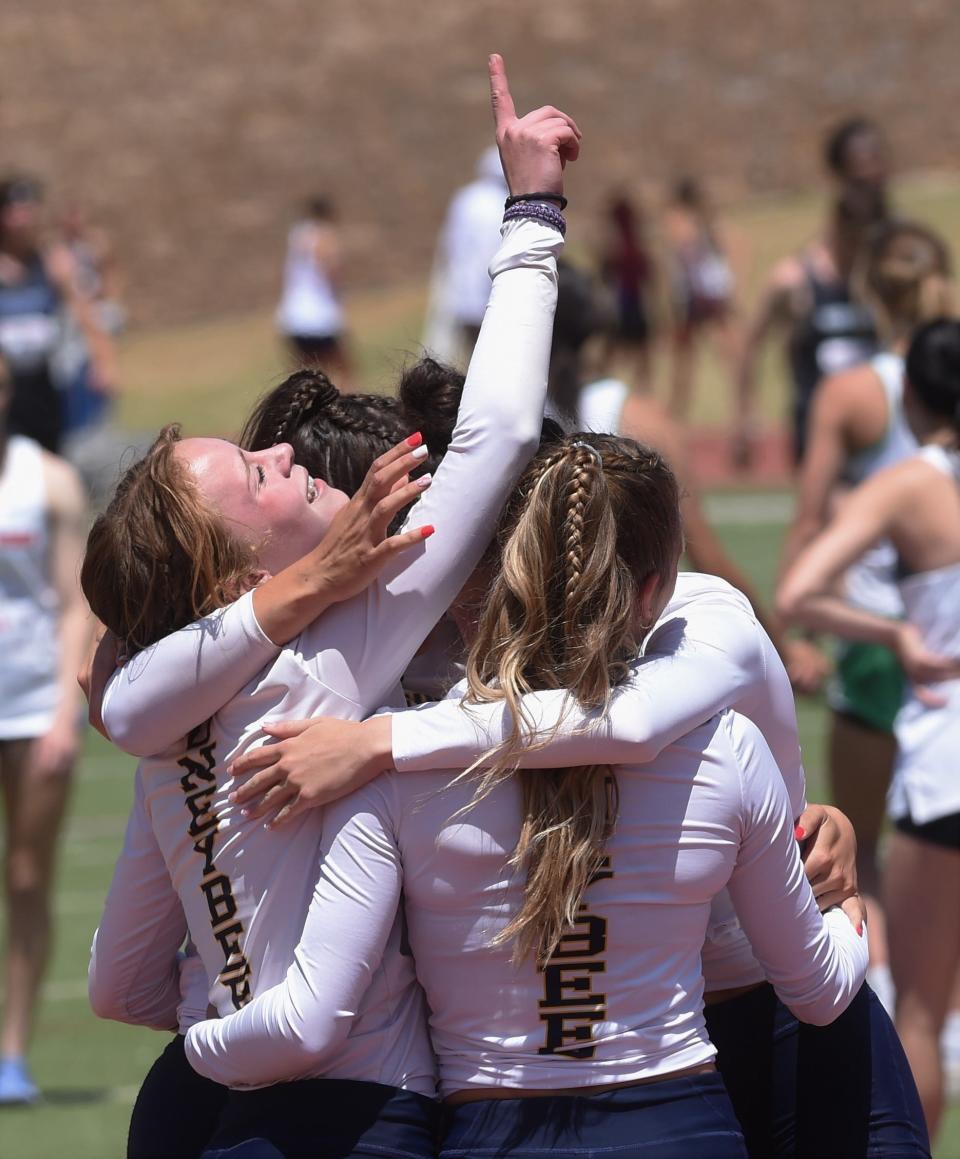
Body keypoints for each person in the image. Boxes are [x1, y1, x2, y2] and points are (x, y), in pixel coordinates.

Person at [85, 54, 578, 1158]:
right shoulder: (333, 648)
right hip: (362, 1114)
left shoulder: (158, 727)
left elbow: (119, 982)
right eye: (256, 478)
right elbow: (495, 436)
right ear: (234, 579)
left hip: (212, 1111)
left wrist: (217, 1012)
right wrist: (533, 214)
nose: (279, 453)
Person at [181, 432, 871, 1159]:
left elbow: (314, 1012)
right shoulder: (724, 748)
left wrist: (199, 1029)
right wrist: (855, 916)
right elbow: (818, 990)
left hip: (491, 1135)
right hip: (681, 1127)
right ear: (656, 589)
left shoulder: (391, 767)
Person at [778, 317, 960, 1142]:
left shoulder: (911, 483)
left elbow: (799, 593)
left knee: (920, 1008)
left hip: (948, 758)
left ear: (910, 395)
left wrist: (894, 635)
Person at [550, 259, 831, 695]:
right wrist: (785, 651)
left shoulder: (500, 415)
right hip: (623, 661)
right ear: (596, 326)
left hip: (528, 651)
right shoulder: (638, 417)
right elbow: (705, 553)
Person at [0, 353, 90, 1104]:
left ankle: (13, 1053)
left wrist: (66, 712)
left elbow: (73, 604)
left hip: (32, 706)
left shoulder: (49, 480)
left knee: (27, 876)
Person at [735, 118, 891, 467]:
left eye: (878, 179)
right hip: (822, 452)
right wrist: (745, 419)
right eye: (861, 181)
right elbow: (750, 343)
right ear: (840, 179)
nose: (872, 192)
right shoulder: (796, 280)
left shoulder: (892, 275)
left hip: (883, 443)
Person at [0, 177, 117, 453]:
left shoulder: (52, 261)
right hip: (5, 381)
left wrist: (104, 360)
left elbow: (84, 312)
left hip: (44, 380)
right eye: (14, 210)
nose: (22, 219)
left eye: (28, 210)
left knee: (54, 447)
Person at [422, 145, 509, 366]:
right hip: (490, 285)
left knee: (464, 349)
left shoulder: (465, 198)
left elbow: (450, 242)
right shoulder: (505, 202)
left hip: (460, 284)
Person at [663, 176, 740, 422]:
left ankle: (743, 412)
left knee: (724, 355)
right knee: (687, 360)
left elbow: (729, 247)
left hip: (704, 295)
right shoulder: (698, 221)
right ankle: (676, 415)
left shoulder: (690, 221)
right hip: (699, 295)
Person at [275, 195, 353, 387]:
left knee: (302, 378)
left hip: (293, 315)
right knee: (344, 371)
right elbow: (329, 269)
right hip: (319, 316)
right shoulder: (323, 236)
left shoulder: (298, 234)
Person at [598, 193, 657, 384]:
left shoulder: (621, 243)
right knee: (634, 355)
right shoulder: (628, 242)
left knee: (633, 354)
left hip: (628, 303)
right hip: (625, 303)